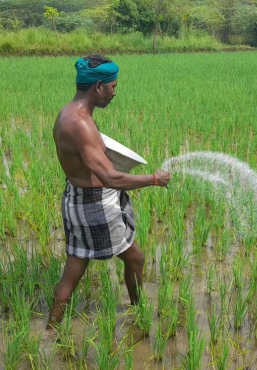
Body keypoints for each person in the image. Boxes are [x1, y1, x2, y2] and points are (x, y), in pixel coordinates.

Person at [47, 54, 170, 330]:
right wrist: (153, 179)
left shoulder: (70, 112)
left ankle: (51, 330)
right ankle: (139, 313)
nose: (115, 92)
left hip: (77, 198)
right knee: (135, 258)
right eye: (113, 87)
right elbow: (110, 177)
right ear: (98, 86)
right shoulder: (80, 124)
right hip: (94, 204)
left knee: (74, 269)